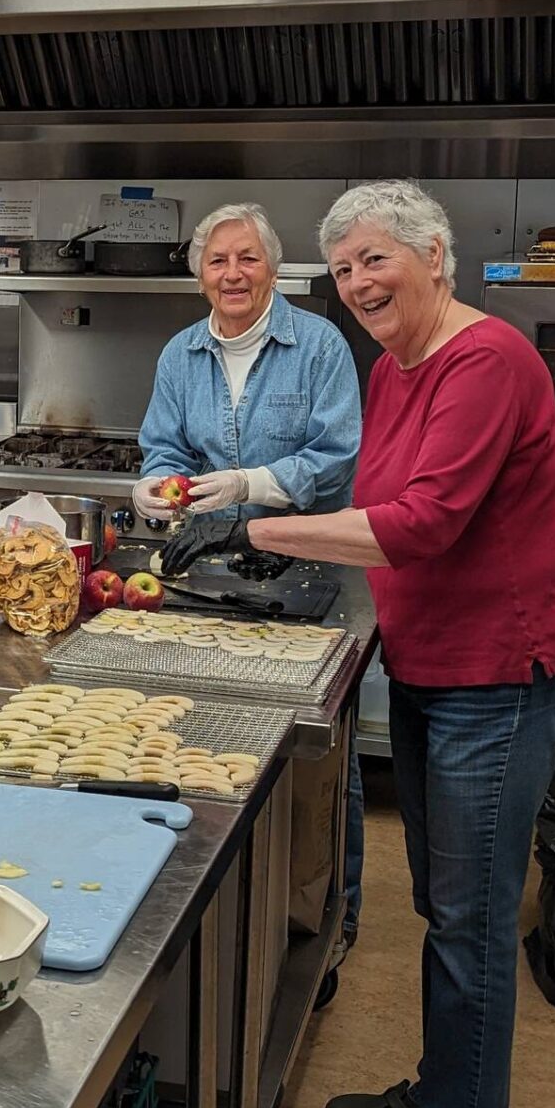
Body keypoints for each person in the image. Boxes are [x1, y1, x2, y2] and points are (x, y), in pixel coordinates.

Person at [249, 181, 555, 1108]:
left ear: (434, 255)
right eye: (343, 268)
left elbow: (425, 522)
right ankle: (444, 1094)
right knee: (443, 905)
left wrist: (255, 534)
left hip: (500, 667)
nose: (357, 283)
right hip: (433, 659)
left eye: (374, 258)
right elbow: (377, 498)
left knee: (472, 918)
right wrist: (255, 508)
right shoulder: (396, 366)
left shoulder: (485, 361)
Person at [134, 202, 365, 946]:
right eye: (217, 260)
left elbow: (337, 456)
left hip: (306, 566)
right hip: (208, 571)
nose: (232, 274)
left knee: (317, 749)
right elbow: (164, 447)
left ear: (273, 267)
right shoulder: (181, 354)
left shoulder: (319, 346)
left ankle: (328, 918)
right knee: (210, 727)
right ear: (200, 274)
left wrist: (249, 484)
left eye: (248, 258)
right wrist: (156, 483)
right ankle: (222, 900)